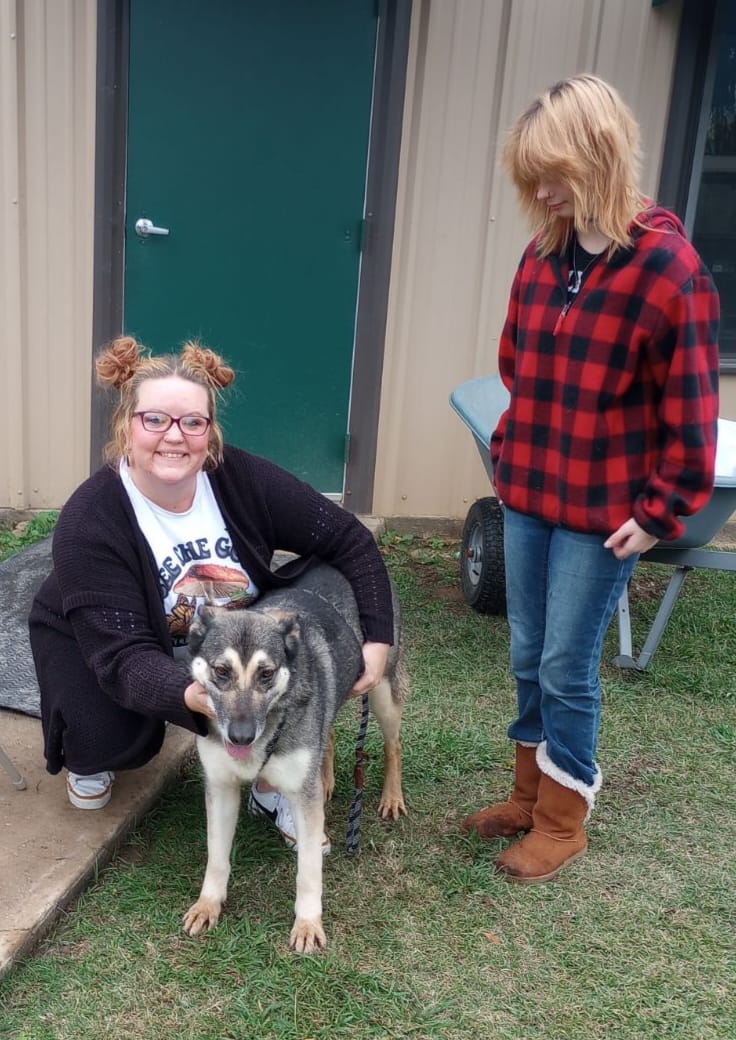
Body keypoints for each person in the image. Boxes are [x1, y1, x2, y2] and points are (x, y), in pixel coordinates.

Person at [461, 74, 720, 882]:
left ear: (602, 156)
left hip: (605, 516)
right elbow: (517, 369)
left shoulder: (670, 271)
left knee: (567, 664)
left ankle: (564, 820)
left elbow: (693, 414)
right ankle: (528, 791)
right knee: (527, 649)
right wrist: (508, 452)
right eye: (531, 174)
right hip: (531, 495)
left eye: (556, 172)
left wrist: (659, 513)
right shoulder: (543, 257)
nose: (542, 191)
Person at [29, 336, 393, 854]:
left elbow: (348, 539)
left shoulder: (240, 477)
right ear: (126, 426)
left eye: (192, 422)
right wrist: (194, 699)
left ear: (209, 431)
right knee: (107, 741)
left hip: (228, 639)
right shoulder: (91, 518)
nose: (174, 437)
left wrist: (377, 638)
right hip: (101, 636)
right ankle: (92, 749)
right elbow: (123, 657)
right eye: (155, 420)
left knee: (275, 670)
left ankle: (272, 785)